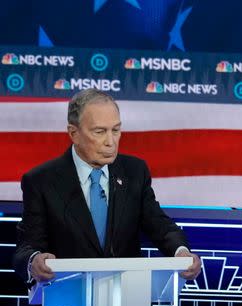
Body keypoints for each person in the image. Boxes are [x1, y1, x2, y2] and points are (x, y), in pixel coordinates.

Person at [13, 88, 202, 283]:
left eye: (116, 130)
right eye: (100, 131)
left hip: (127, 298)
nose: (111, 142)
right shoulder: (41, 181)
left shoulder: (134, 172)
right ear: (74, 133)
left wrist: (181, 252)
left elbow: (160, 225)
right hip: (66, 300)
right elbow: (26, 247)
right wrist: (34, 261)